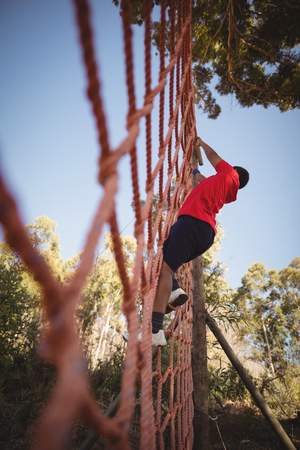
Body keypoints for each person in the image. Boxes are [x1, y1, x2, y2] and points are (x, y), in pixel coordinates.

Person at [124, 137, 249, 347]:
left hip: (194, 222)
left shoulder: (229, 173)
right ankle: (173, 289)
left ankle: (153, 330)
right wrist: (193, 168)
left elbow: (212, 156)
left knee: (164, 268)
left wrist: (201, 143)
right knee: (165, 255)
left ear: (234, 171)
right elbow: (200, 178)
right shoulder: (223, 189)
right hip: (204, 233)